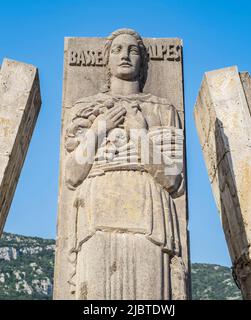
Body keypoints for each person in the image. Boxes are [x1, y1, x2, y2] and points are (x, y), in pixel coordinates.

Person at [63, 29, 187, 299]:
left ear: (143, 60)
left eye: (133, 50)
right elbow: (72, 175)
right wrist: (99, 129)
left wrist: (141, 136)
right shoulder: (84, 109)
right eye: (117, 50)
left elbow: (173, 181)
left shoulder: (162, 110)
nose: (125, 55)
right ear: (106, 60)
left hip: (149, 218)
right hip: (95, 215)